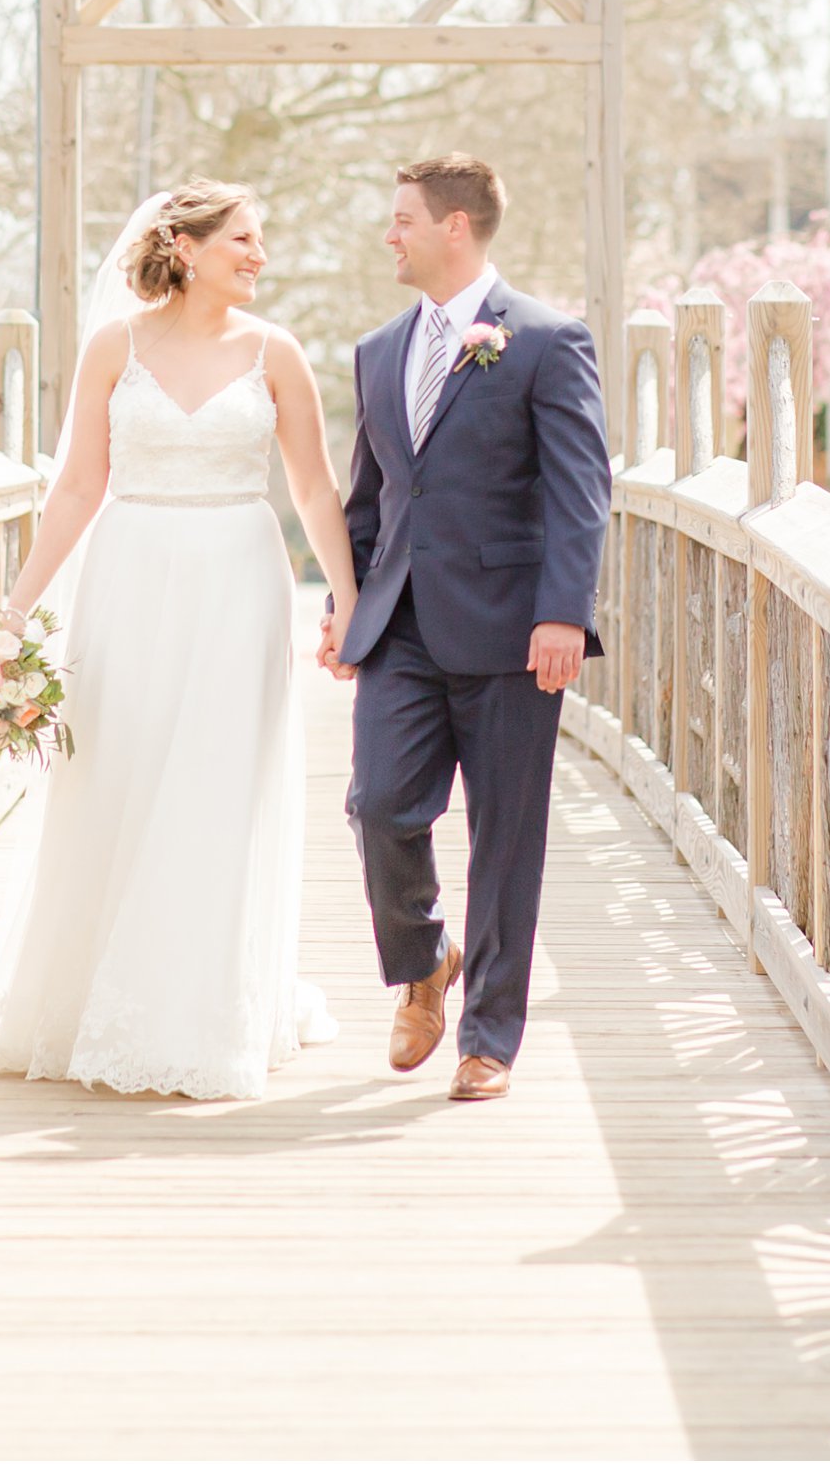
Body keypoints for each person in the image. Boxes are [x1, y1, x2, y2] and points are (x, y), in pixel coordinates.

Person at [0, 180, 353, 1100]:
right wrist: (13, 612)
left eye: (261, 240)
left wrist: (349, 603)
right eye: (243, 239)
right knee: (121, 770)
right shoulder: (117, 346)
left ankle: (208, 1008)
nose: (260, 255)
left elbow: (312, 489)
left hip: (238, 575)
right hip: (132, 572)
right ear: (183, 247)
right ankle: (97, 996)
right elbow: (75, 488)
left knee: (221, 782)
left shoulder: (277, 352)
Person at [321, 155, 611, 1102]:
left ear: (456, 226)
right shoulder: (375, 352)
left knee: (506, 837)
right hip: (399, 626)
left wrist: (565, 610)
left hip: (511, 632)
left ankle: (489, 1036)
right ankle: (422, 960)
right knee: (378, 803)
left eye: (403, 218)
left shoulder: (546, 339)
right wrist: (343, 603)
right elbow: (369, 504)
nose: (389, 234)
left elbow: (580, 491)